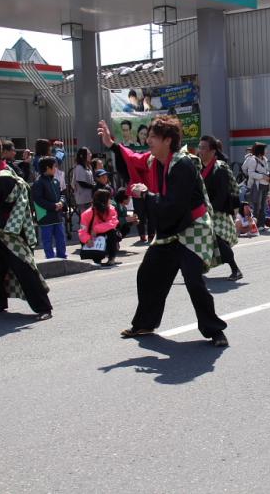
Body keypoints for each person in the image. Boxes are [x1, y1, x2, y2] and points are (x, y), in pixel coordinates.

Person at [98, 117, 229, 347]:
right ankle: (145, 323)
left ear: (168, 140)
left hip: (192, 227)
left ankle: (215, 330)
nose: (148, 141)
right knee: (147, 273)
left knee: (193, 280)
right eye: (148, 136)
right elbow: (133, 159)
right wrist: (113, 145)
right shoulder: (153, 160)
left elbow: (175, 204)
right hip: (171, 228)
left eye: (153, 137)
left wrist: (146, 195)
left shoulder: (183, 164)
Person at [0, 133, 53, 320]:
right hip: (1, 230)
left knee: (24, 267)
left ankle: (44, 307)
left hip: (11, 231)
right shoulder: (0, 173)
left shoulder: (1, 177)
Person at [198, 135, 243, 281]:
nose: (200, 151)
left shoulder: (220, 168)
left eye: (204, 148)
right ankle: (196, 268)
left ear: (213, 152)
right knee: (197, 239)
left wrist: (210, 209)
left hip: (218, 212)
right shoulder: (199, 167)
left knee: (218, 239)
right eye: (200, 147)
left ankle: (235, 269)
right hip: (203, 211)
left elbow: (223, 193)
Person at [31, 156, 67, 259]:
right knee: (47, 240)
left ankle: (62, 257)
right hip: (45, 217)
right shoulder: (38, 183)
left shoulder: (55, 181)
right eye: (54, 166)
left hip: (57, 215)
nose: (56, 168)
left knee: (61, 238)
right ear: (47, 168)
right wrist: (53, 206)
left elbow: (62, 194)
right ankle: (50, 259)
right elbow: (38, 200)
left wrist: (61, 202)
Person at [78, 188, 119, 266]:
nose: (110, 201)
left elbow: (113, 222)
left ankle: (111, 257)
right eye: (108, 198)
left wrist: (96, 228)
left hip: (104, 234)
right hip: (92, 237)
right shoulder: (87, 213)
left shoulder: (111, 209)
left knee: (112, 232)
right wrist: (87, 239)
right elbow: (82, 230)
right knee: (97, 258)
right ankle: (97, 257)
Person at [242, 142, 270, 230]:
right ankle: (255, 224)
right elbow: (251, 173)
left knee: (263, 205)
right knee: (256, 206)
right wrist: (262, 176)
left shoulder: (265, 159)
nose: (267, 150)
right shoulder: (253, 160)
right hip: (257, 186)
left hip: (265, 184)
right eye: (265, 149)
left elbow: (267, 170)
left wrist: (268, 175)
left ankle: (261, 225)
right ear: (260, 150)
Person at [71, 147, 94, 215]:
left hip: (89, 198)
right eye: (88, 153)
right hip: (83, 199)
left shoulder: (88, 167)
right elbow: (82, 183)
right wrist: (93, 186)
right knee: (85, 219)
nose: (90, 155)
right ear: (82, 155)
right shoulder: (79, 167)